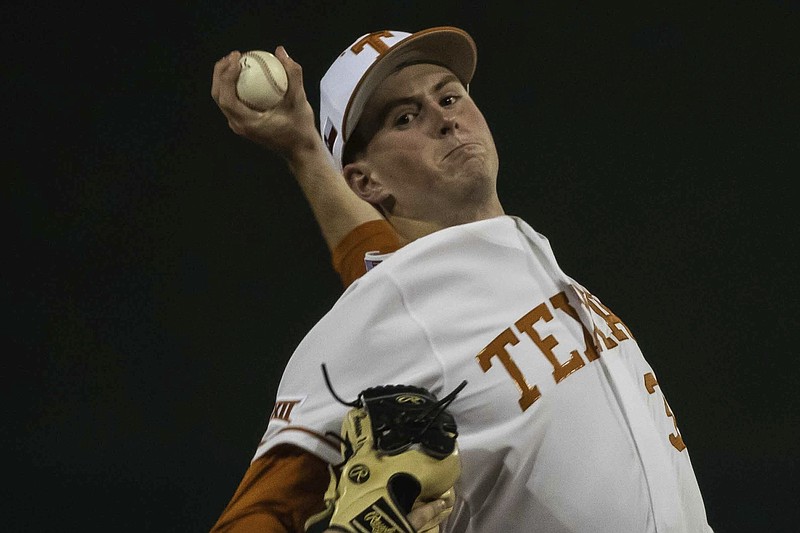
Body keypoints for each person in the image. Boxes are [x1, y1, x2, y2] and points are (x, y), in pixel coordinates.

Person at [209, 27, 714, 532]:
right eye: (406, 117)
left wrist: (304, 149)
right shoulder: (378, 316)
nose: (445, 119)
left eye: (449, 96)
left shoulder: (477, 266)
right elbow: (254, 517)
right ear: (365, 182)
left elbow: (393, 271)